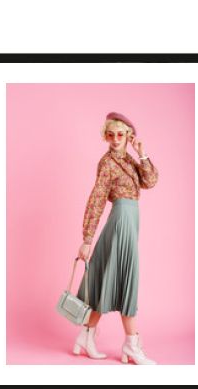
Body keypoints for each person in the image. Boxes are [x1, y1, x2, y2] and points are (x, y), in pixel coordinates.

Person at [74, 112, 159, 365]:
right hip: (121, 220)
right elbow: (97, 198)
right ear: (106, 136)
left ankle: (86, 336)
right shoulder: (108, 162)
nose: (115, 139)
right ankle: (132, 344)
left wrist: (142, 153)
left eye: (120, 134)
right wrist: (87, 238)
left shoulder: (131, 160)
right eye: (110, 135)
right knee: (123, 278)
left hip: (131, 221)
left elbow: (150, 181)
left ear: (128, 136)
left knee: (110, 279)